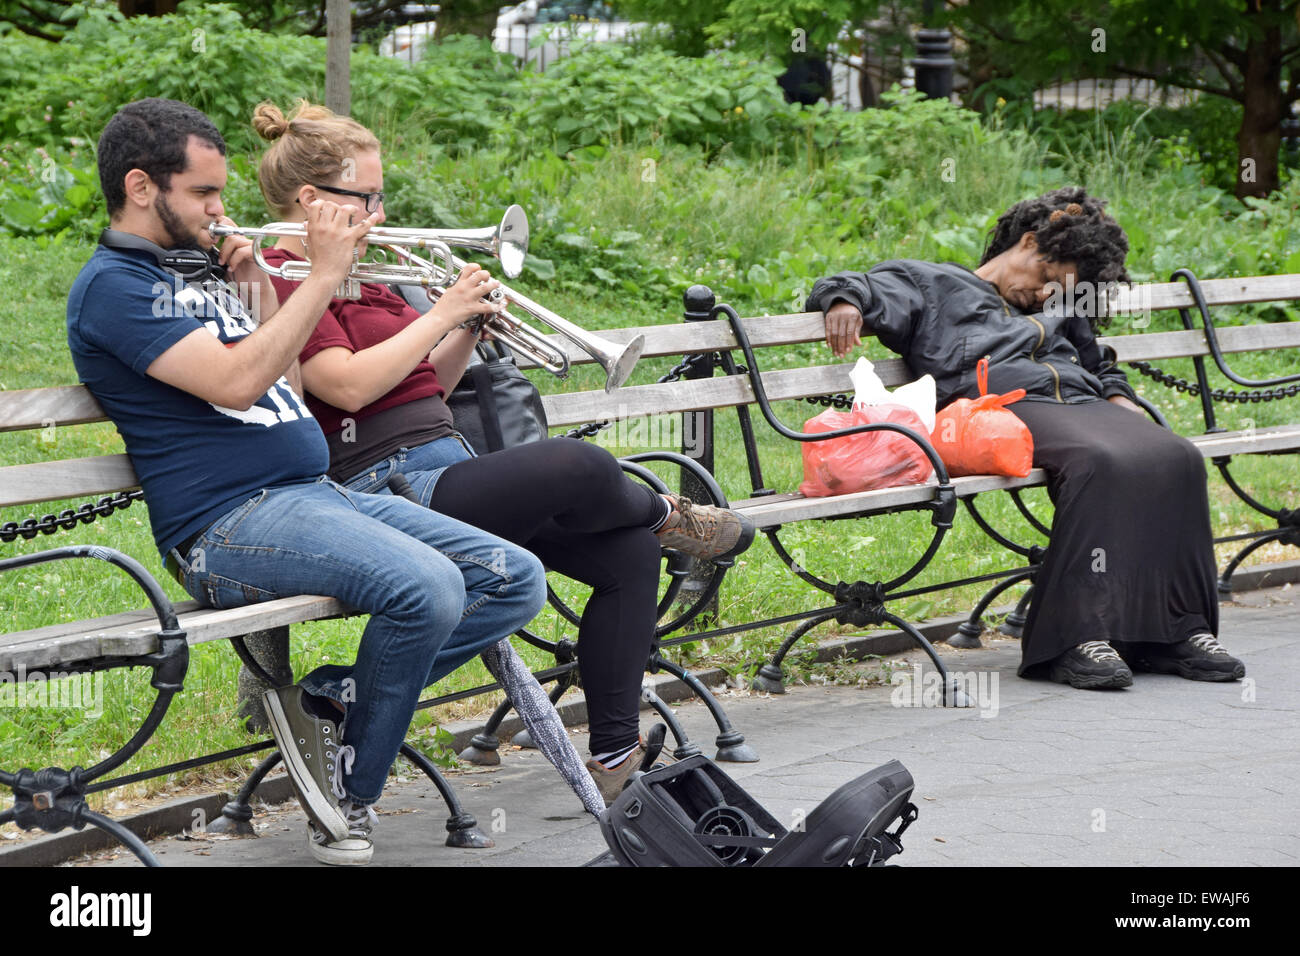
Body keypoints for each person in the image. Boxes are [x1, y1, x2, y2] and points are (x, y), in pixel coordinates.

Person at [67, 98, 551, 865]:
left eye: (221, 193)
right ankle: (350, 797)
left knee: (512, 577)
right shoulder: (116, 288)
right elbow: (233, 383)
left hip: (310, 497)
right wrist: (322, 275)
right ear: (139, 187)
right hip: (225, 525)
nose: (222, 211)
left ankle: (333, 698)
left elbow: (282, 383)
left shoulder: (203, 273)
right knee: (427, 586)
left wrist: (262, 291)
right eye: (203, 194)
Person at [246, 99, 756, 800]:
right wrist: (440, 313)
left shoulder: (373, 270)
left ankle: (612, 756)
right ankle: (667, 513)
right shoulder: (282, 277)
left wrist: (462, 332)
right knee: (583, 464)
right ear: (311, 199)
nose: (381, 215)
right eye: (367, 198)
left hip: (445, 464)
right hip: (379, 491)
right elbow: (350, 389)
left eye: (380, 196)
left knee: (627, 554)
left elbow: (425, 387)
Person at [807, 186, 1245, 690]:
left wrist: (1120, 399)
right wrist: (841, 300)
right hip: (1001, 409)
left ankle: (1176, 631)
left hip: (1082, 405)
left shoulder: (1062, 302)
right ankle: (1072, 641)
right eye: (1044, 280)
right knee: (1099, 461)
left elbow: (1095, 362)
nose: (1043, 296)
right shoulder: (930, 282)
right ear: (1030, 242)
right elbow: (860, 285)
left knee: (1178, 456)